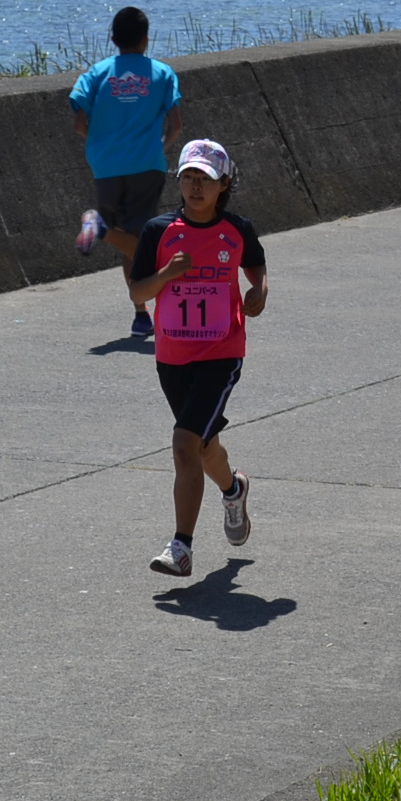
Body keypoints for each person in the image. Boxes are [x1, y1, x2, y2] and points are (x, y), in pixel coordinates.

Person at [129, 139, 267, 578]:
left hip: (221, 352)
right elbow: (138, 292)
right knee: (203, 445)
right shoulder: (159, 231)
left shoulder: (237, 229)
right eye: (188, 176)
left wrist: (258, 292)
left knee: (184, 444)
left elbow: (257, 266)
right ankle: (233, 489)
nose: (194, 186)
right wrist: (168, 274)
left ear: (223, 184)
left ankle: (181, 547)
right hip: (172, 355)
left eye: (204, 179)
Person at [70, 6, 185, 338]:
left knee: (130, 241)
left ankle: (140, 313)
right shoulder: (162, 74)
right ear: (146, 39)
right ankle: (100, 229)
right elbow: (176, 126)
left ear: (113, 39)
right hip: (146, 165)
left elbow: (78, 122)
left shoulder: (95, 74)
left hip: (106, 165)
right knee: (142, 240)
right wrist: (157, 149)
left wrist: (103, 147)